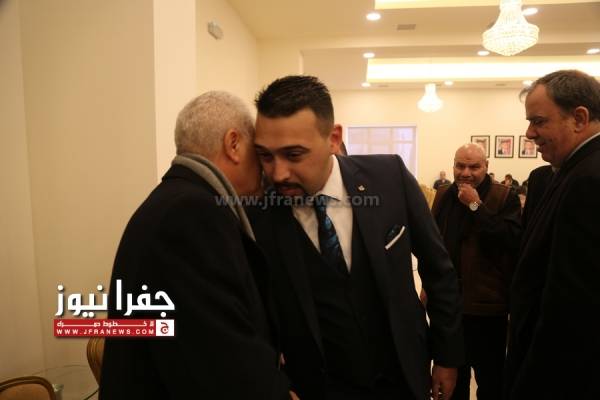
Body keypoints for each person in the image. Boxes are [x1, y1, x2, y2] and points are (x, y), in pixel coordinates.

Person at [250, 75, 463, 400]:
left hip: (402, 374)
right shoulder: (258, 212)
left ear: (334, 138)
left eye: (294, 155)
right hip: (317, 386)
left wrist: (447, 357)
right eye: (266, 156)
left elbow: (439, 270)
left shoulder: (389, 177)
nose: (278, 173)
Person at [100, 92, 293, 399]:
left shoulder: (175, 200)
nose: (266, 169)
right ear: (233, 144)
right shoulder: (192, 213)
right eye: (259, 153)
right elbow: (222, 359)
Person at [504, 70, 600, 399]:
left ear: (579, 118)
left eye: (539, 121)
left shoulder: (589, 179)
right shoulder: (573, 170)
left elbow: (572, 307)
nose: (529, 133)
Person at [429, 144, 521, 400]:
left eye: (474, 167)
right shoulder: (444, 194)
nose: (466, 173)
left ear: (486, 167)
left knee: (491, 381)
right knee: (452, 382)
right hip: (449, 309)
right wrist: (429, 287)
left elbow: (510, 241)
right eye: (460, 166)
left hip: (487, 308)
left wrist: (475, 206)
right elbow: (433, 244)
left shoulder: (505, 196)